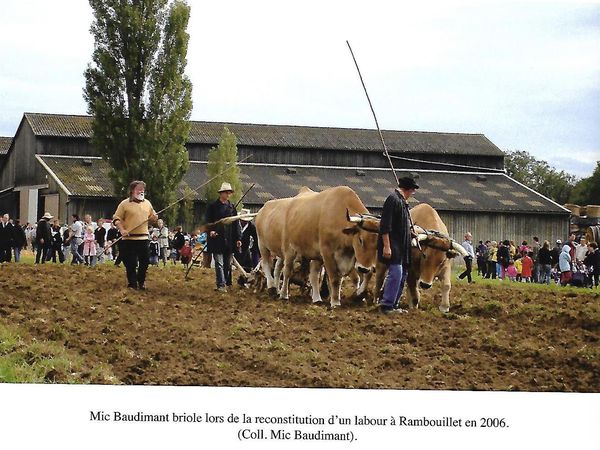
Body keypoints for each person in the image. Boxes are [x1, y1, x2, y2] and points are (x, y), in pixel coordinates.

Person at [377, 176, 419, 314]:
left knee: (403, 274)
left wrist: (410, 232)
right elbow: (385, 226)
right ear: (408, 190)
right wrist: (387, 246)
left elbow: (400, 223)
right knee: (396, 273)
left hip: (403, 246)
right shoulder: (393, 200)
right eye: (412, 190)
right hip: (394, 244)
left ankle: (394, 304)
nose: (413, 193)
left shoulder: (403, 203)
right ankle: (387, 305)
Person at [112, 180, 158, 290]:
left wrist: (154, 218)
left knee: (145, 262)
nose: (141, 191)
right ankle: (132, 284)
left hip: (143, 238)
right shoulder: (124, 204)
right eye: (138, 189)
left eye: (143, 189)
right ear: (132, 191)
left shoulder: (147, 203)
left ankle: (141, 281)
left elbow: (153, 218)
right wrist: (122, 230)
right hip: (128, 239)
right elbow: (116, 219)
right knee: (131, 263)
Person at [205, 182, 242, 292]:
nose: (228, 194)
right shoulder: (212, 207)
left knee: (227, 264)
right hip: (217, 239)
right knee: (219, 263)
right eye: (226, 192)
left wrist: (238, 238)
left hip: (229, 239)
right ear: (221, 194)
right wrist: (211, 231)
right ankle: (221, 285)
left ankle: (226, 282)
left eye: (229, 193)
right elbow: (208, 221)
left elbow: (236, 224)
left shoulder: (232, 207)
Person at [237, 208, 259, 272]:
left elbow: (256, 238)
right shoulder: (235, 225)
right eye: (243, 220)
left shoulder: (251, 227)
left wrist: (255, 249)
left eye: (246, 220)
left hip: (245, 247)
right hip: (235, 248)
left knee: (248, 265)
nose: (244, 222)